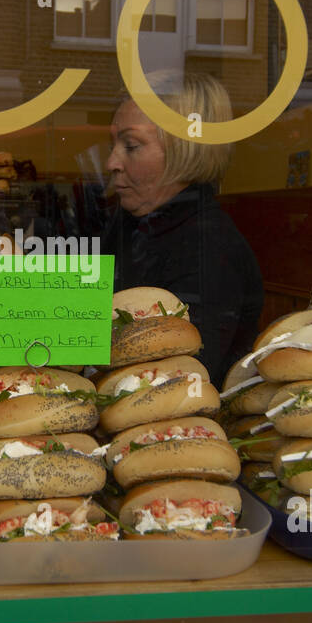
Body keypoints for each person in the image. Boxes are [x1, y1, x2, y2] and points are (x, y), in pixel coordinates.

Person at [100, 73, 264, 387]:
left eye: (131, 146)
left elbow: (181, 379)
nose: (112, 162)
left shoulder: (209, 248)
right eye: (113, 144)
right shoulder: (130, 223)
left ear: (184, 150)